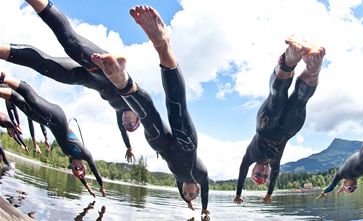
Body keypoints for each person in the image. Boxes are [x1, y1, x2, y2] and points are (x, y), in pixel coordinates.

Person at [90, 5, 209, 216]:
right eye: (192, 195)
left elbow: (183, 193)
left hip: (163, 146)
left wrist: (188, 205)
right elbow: (204, 194)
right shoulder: (202, 177)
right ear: (197, 189)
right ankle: (162, 43)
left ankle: (122, 80)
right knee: (176, 109)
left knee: (148, 119)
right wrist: (204, 210)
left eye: (186, 195)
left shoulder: (179, 183)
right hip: (186, 145)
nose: (188, 193)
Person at [0, 0, 137, 163]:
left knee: (46, 66)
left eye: (126, 124)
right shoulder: (136, 100)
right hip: (102, 67)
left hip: (85, 79)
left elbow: (123, 131)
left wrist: (128, 147)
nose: (125, 122)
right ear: (138, 117)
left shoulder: (119, 112)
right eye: (130, 122)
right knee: (70, 42)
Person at [233, 37, 325, 204]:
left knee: (277, 96)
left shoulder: (249, 156)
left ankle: (289, 60)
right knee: (301, 98)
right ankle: (313, 67)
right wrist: (269, 195)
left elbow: (240, 173)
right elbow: (274, 180)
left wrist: (238, 194)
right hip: (288, 129)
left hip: (266, 125)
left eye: (257, 174)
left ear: (252, 170)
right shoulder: (274, 165)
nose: (262, 171)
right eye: (264, 175)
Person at [0, 72, 106, 197]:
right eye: (76, 168)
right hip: (57, 118)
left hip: (48, 123)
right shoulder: (85, 154)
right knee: (33, 101)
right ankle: (5, 78)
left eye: (72, 169)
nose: (73, 167)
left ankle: (2, 87)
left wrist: (88, 189)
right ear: (83, 167)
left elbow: (81, 177)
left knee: (26, 108)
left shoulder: (70, 155)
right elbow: (96, 172)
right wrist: (101, 187)